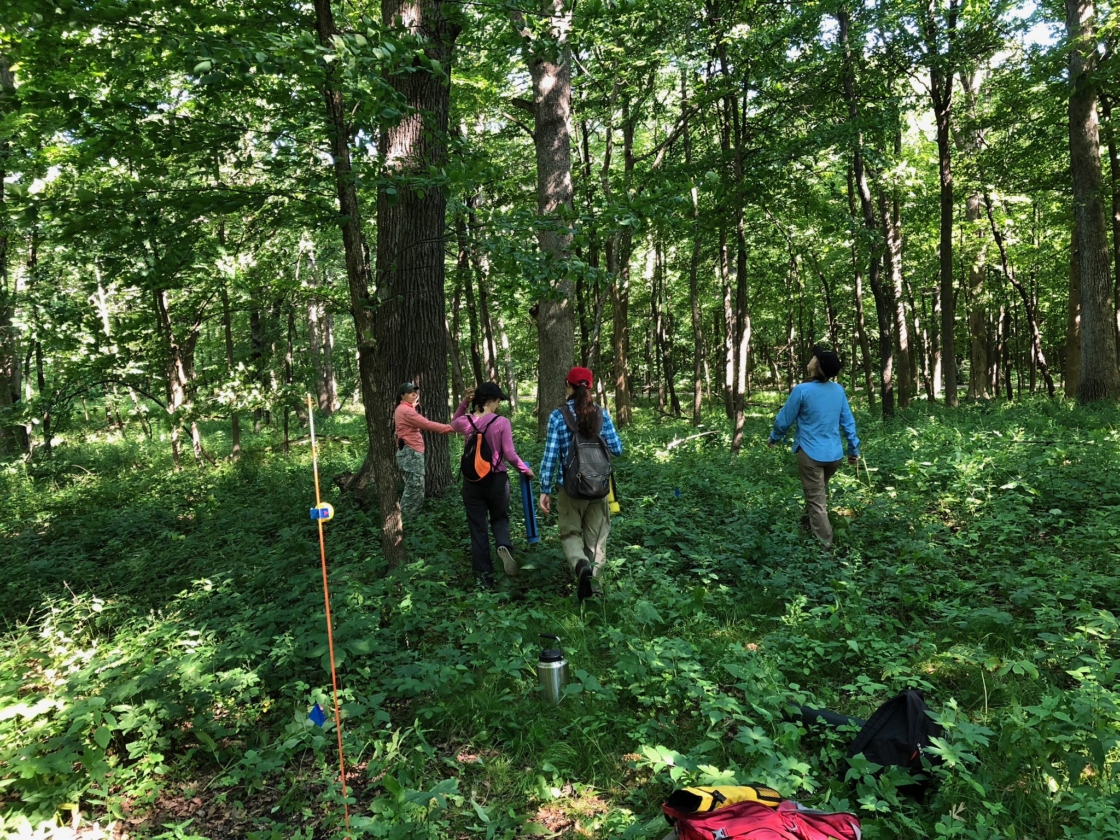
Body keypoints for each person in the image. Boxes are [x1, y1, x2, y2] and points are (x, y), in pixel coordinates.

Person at [538, 367, 623, 601]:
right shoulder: (601, 414)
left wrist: (545, 489)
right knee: (596, 540)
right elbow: (617, 449)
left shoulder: (558, 416)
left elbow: (551, 456)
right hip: (599, 489)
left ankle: (580, 565)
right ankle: (594, 593)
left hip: (570, 489)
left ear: (568, 385)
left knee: (570, 534)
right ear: (590, 386)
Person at [767, 347, 860, 551]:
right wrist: (853, 450)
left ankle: (825, 550)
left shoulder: (802, 390)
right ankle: (805, 528)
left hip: (810, 456)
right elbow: (848, 422)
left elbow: (784, 419)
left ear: (817, 365)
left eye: (814, 358)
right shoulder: (838, 390)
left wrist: (774, 437)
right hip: (834, 456)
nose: (810, 359)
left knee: (817, 502)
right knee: (815, 495)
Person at [450, 383, 534, 588]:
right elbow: (510, 454)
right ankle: (504, 546)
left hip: (472, 483)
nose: (498, 405)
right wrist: (525, 470)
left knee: (477, 528)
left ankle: (483, 578)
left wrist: (464, 402)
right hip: (496, 480)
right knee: (499, 518)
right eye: (497, 401)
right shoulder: (501, 422)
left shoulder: (466, 421)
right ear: (490, 400)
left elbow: (453, 423)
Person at [394, 382, 454, 519]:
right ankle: (407, 519)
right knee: (415, 487)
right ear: (402, 395)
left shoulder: (403, 408)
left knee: (413, 485)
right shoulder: (406, 411)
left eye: (415, 392)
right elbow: (426, 424)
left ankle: (407, 518)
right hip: (411, 452)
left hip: (409, 451)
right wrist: (450, 428)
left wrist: (413, 405)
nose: (415, 395)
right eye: (410, 393)